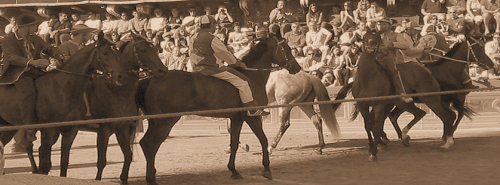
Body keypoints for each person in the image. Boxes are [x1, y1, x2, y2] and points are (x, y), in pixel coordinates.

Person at [1, 14, 63, 152]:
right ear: (25, 27)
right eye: (34, 25)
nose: (36, 27)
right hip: (16, 73)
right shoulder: (8, 39)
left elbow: (48, 48)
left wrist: (58, 54)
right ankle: (29, 126)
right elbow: (11, 57)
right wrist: (32, 62)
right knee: (28, 91)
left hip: (35, 71)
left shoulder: (35, 38)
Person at [189, 15, 269, 116]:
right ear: (212, 25)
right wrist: (237, 63)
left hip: (195, 68)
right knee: (244, 82)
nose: (215, 27)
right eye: (215, 25)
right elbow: (224, 52)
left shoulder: (192, 37)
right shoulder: (211, 38)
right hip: (211, 68)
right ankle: (251, 109)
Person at [375, 18, 415, 103]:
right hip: (375, 60)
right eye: (379, 24)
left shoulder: (397, 35)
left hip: (391, 60)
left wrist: (392, 44)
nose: (381, 26)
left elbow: (405, 45)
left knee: (393, 71)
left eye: (384, 24)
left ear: (390, 26)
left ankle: (402, 93)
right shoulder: (374, 35)